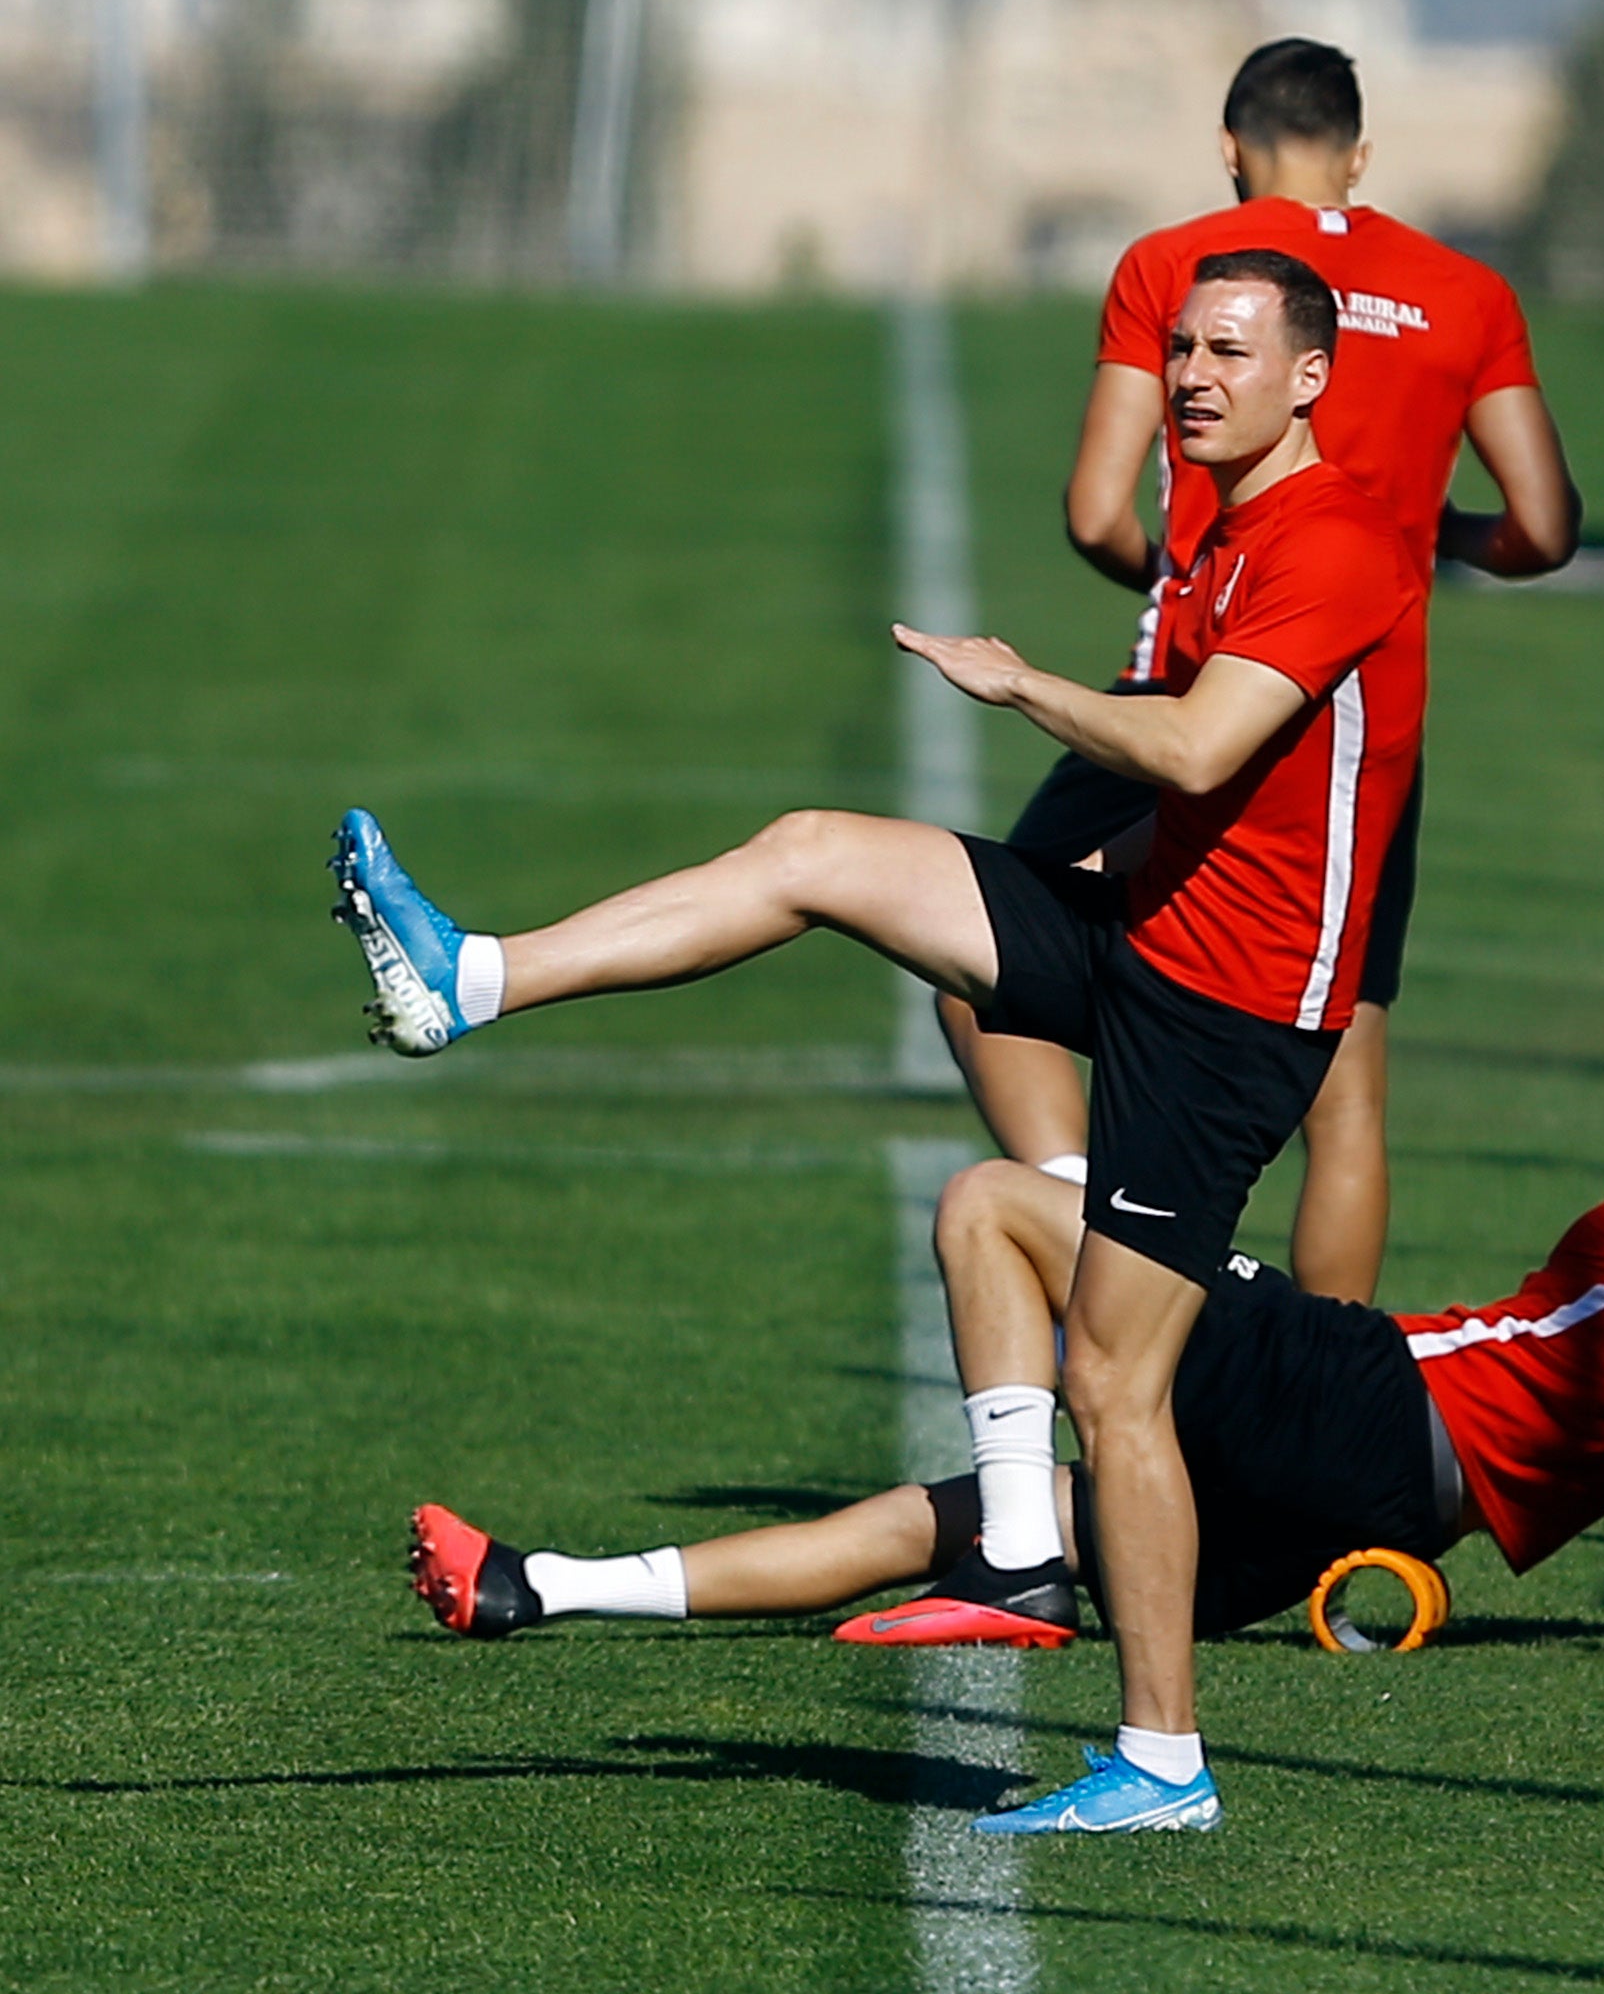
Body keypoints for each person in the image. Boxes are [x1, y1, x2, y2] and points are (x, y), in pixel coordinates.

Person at [330, 247, 1423, 1830]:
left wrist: (1021, 685)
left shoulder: (1334, 541)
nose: (1191, 374)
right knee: (815, 852)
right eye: (1180, 347)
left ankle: (1163, 1762)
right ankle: (470, 979)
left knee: (1120, 1389)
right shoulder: (1214, 524)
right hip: (1139, 928)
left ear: (1312, 377)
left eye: (1231, 351)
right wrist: (1068, 876)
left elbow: (1198, 745)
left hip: (1225, 1020)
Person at [401, 913, 1604, 1835]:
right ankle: (542, 1589)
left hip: (1375, 1396)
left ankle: (1010, 1548)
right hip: (1388, 1502)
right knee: (963, 1514)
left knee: (1000, 1200)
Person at [942, 36, 1582, 1303]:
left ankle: (1082, 1231)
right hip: (1359, 732)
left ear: (1232, 149)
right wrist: (1431, 539)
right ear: (1360, 153)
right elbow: (1548, 526)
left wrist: (1200, 587)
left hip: (1183, 693)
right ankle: (1320, 1390)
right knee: (1345, 1088)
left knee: (979, 963)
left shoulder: (1175, 265)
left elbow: (1093, 510)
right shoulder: (1463, 289)